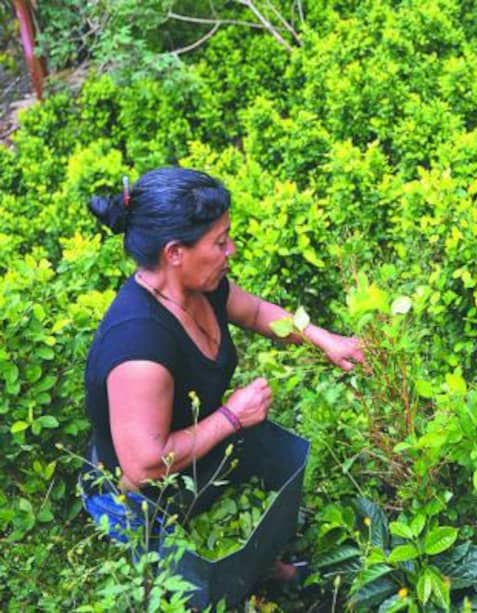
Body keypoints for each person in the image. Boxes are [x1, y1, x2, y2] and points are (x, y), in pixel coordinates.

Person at [81, 167, 365, 582]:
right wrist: (232, 417)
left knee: (242, 529)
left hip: (195, 452)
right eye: (219, 241)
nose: (231, 249)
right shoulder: (139, 348)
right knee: (194, 584)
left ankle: (263, 568)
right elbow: (144, 467)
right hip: (141, 498)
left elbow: (254, 312)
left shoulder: (199, 283)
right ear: (174, 252)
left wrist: (327, 340)